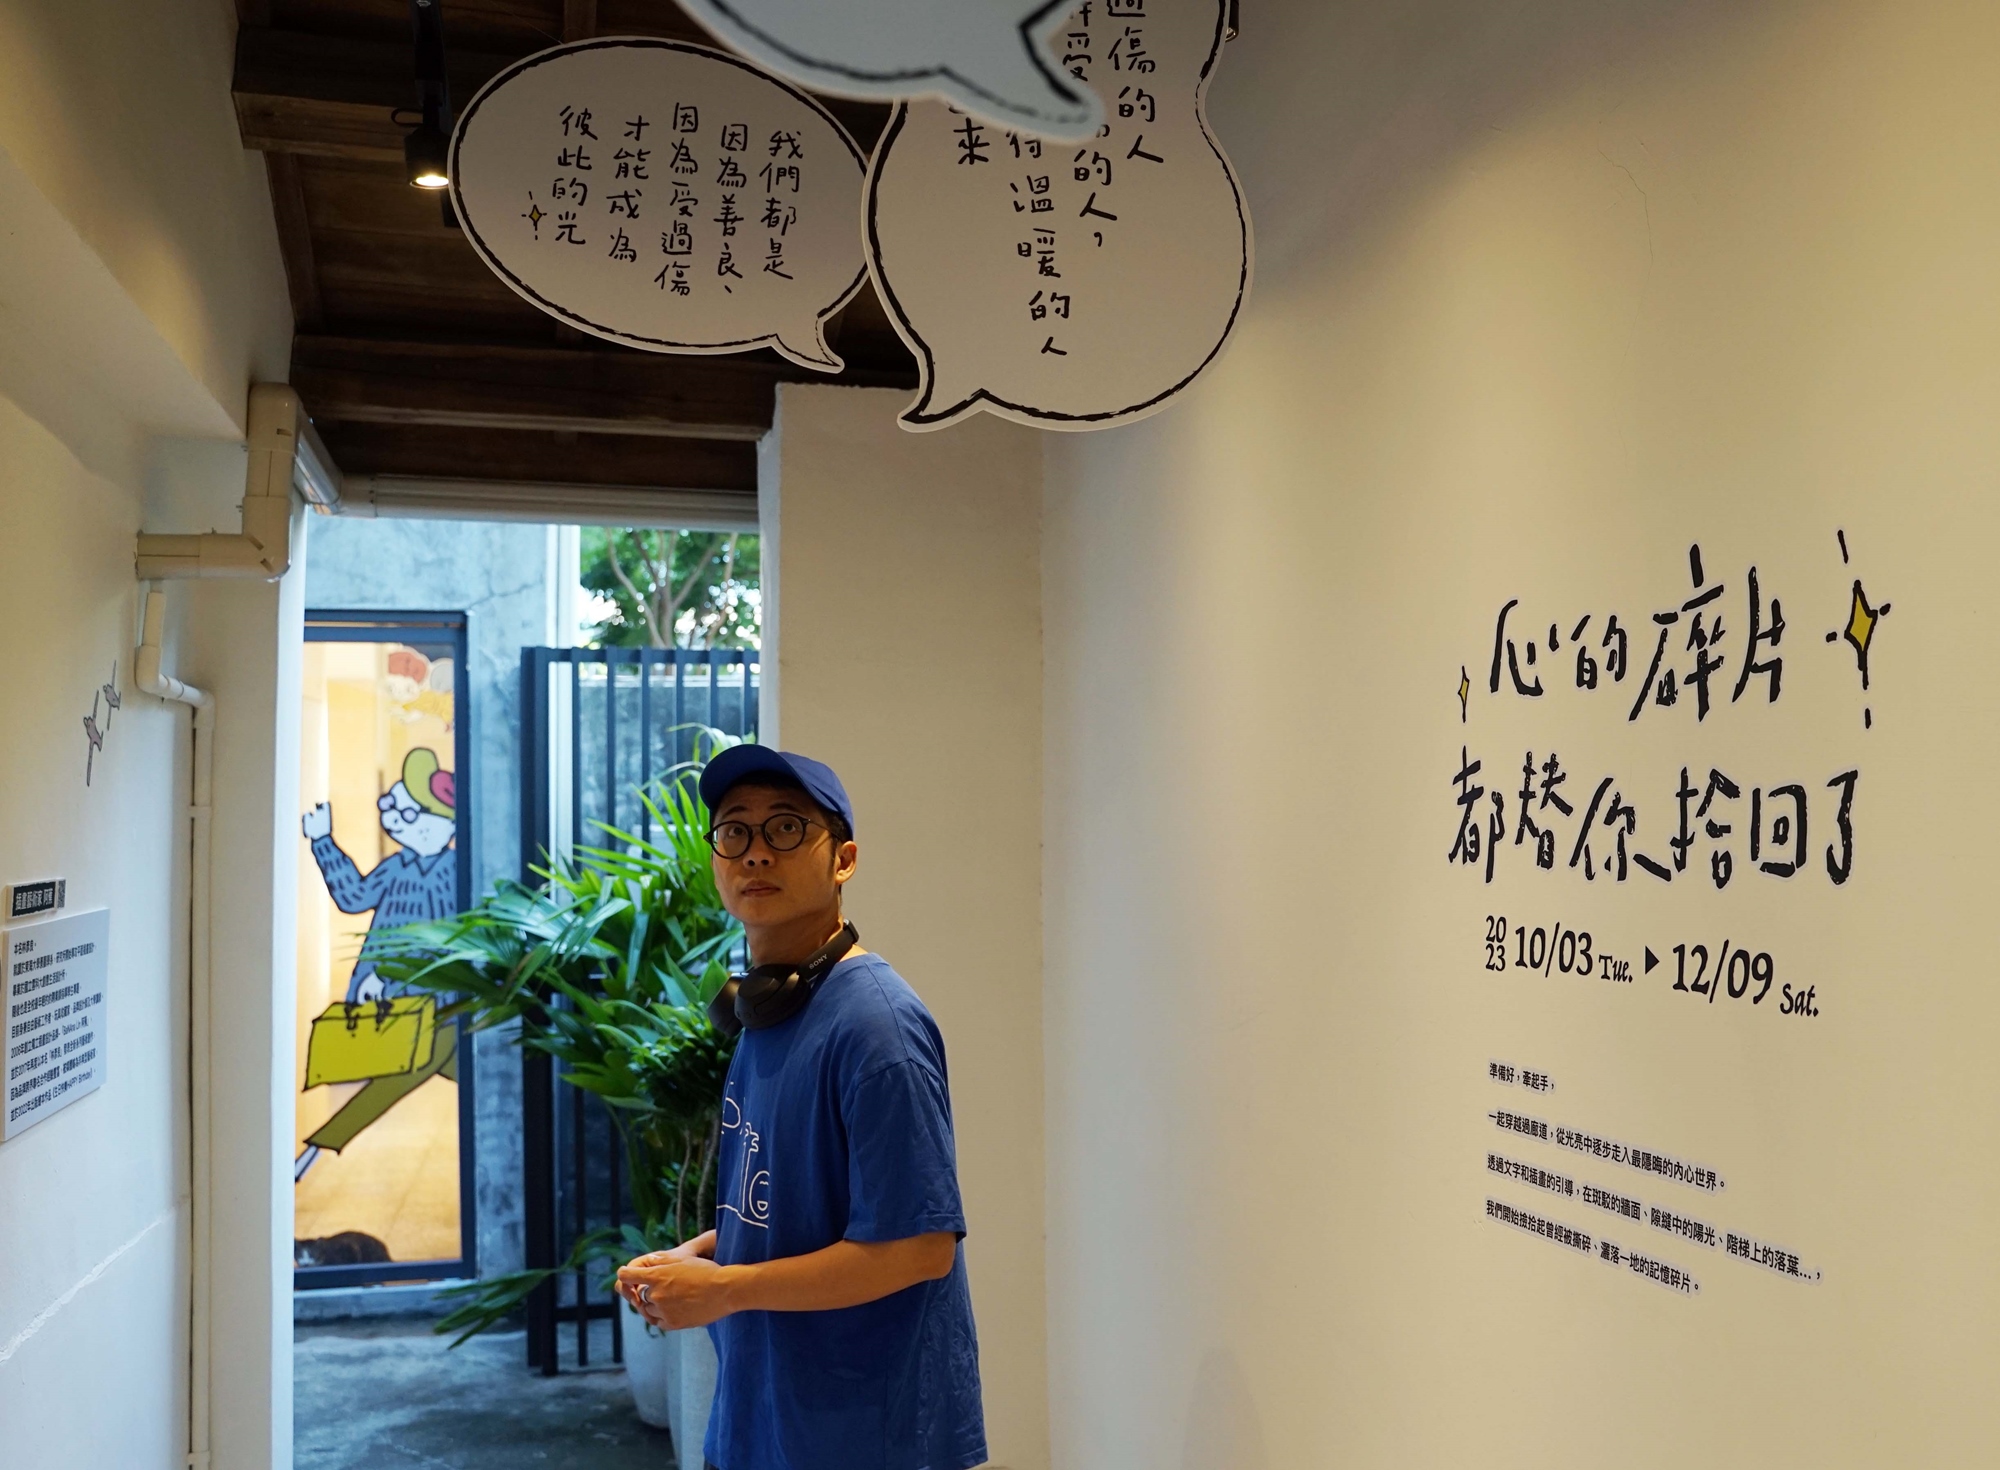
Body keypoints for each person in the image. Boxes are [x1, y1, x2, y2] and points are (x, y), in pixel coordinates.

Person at [617, 745, 986, 1470]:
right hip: (763, 1418)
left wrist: (725, 1289)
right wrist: (698, 1259)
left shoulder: (877, 1029)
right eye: (735, 831)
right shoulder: (767, 1014)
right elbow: (795, 1212)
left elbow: (918, 1247)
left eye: (786, 829)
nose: (756, 853)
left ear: (843, 860)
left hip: (861, 1437)